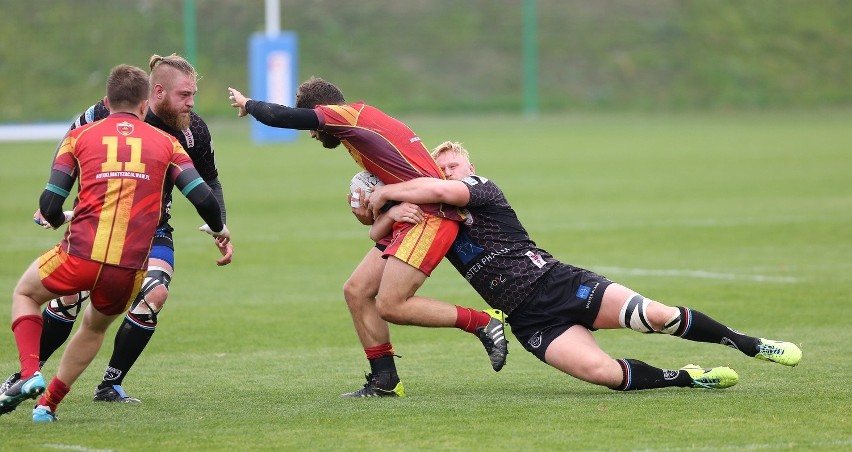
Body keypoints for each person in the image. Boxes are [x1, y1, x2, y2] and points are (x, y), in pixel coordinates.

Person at [362, 141, 801, 392]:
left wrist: (386, 194)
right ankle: (687, 379)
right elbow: (374, 236)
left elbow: (442, 190)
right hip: (529, 318)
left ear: (469, 168)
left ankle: (749, 344)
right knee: (603, 374)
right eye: (439, 170)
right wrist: (388, 213)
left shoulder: (479, 188)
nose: (446, 173)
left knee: (655, 317)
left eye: (453, 166)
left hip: (558, 282)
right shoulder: (431, 221)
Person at [227, 80, 507, 397]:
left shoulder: (349, 116)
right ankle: (385, 380)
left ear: (322, 112)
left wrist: (249, 104)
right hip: (411, 213)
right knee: (356, 291)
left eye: (315, 125)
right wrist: (381, 208)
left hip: (432, 216)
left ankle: (483, 321)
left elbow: (284, 118)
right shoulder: (358, 127)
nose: (313, 133)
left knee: (391, 305)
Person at [0, 64, 231, 422]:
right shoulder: (108, 119)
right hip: (100, 225)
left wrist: (53, 203)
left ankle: (107, 384)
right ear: (152, 96)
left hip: (148, 231)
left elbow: (210, 183)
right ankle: (27, 379)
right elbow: (71, 145)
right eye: (184, 95)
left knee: (153, 294)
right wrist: (59, 202)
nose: (191, 103)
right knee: (73, 300)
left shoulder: (192, 130)